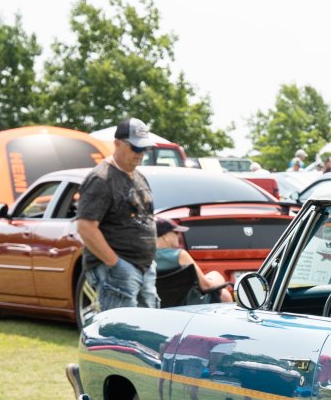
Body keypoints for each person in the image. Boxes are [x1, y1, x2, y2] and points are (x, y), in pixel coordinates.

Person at [75, 117, 160, 314]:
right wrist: (115, 263)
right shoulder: (101, 179)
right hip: (118, 269)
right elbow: (85, 227)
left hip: (144, 267)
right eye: (135, 148)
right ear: (117, 144)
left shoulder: (139, 176)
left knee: (148, 326)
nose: (140, 154)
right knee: (123, 327)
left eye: (144, 148)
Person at [154, 217, 233, 303]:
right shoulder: (180, 255)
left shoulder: (146, 258)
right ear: (165, 236)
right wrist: (220, 280)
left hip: (158, 305)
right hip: (189, 305)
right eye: (176, 232)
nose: (178, 235)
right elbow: (205, 286)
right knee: (223, 292)